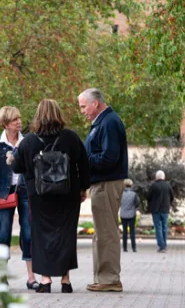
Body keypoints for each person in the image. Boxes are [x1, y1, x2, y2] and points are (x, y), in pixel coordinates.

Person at [9, 99, 89, 294]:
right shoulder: (71, 138)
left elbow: (18, 167)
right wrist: (83, 188)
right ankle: (65, 280)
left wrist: (11, 159)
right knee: (66, 235)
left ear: (38, 115)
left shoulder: (28, 141)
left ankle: (45, 280)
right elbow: (84, 164)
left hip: (39, 196)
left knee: (41, 235)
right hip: (67, 194)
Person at [0, 106, 37, 290]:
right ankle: (1, 277)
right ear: (5, 124)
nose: (19, 121)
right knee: (3, 235)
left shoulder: (28, 143)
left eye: (19, 118)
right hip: (4, 193)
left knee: (28, 234)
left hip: (26, 191)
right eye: (14, 120)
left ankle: (31, 277)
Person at [78, 87, 128, 292]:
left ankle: (109, 279)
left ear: (95, 103)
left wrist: (84, 160)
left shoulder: (109, 122)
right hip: (101, 183)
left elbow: (109, 158)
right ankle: (103, 277)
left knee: (106, 232)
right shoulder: (102, 122)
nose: (81, 111)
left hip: (107, 183)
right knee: (101, 232)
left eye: (83, 106)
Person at [147, 170, 173, 253]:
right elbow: (172, 196)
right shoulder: (168, 185)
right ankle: (164, 245)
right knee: (164, 227)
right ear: (163, 177)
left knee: (158, 227)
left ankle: (161, 246)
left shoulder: (153, 185)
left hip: (156, 210)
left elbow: (148, 197)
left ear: (156, 177)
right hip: (165, 209)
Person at [120, 179, 139, 253]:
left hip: (123, 214)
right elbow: (137, 203)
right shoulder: (134, 194)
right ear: (131, 185)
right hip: (132, 214)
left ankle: (125, 248)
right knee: (132, 231)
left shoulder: (121, 194)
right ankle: (133, 248)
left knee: (124, 231)